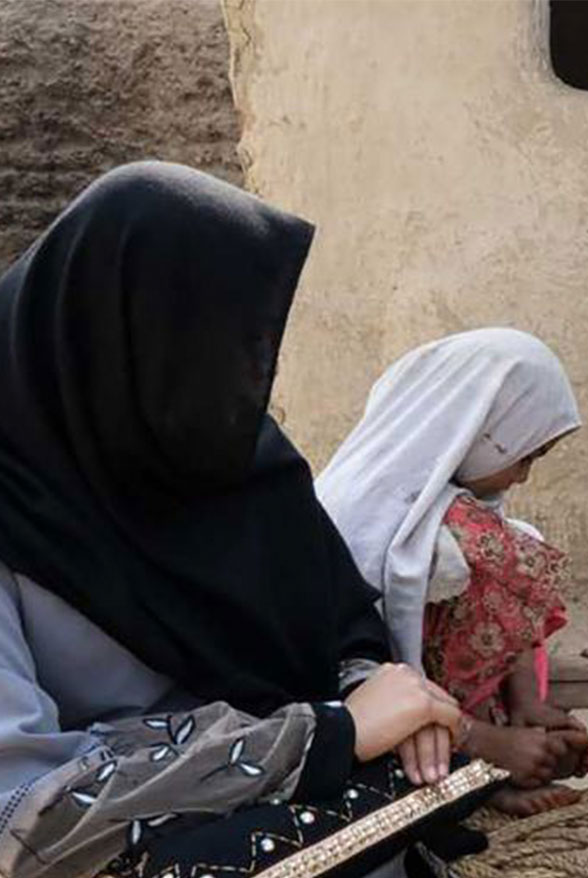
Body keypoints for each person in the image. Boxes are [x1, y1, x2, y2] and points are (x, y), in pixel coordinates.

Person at [0, 162, 472, 878]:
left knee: (430, 781)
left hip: (267, 788)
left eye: (253, 349)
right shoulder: (16, 500)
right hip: (95, 837)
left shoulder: (237, 462)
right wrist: (321, 738)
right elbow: (23, 812)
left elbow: (334, 620)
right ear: (107, 338)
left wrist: (371, 692)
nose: (244, 381)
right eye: (205, 347)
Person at [319, 329, 588, 817]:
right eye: (524, 455)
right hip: (366, 706)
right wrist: (487, 742)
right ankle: (475, 769)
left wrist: (527, 701)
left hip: (436, 699)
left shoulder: (453, 504)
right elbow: (352, 671)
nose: (523, 475)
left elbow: (511, 617)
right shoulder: (364, 514)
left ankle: (492, 757)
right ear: (478, 428)